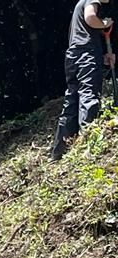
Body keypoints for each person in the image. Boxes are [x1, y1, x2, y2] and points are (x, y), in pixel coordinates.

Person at [51, 0, 116, 160]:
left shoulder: (79, 4)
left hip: (74, 56)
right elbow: (90, 18)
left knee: (72, 100)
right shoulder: (91, 0)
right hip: (86, 54)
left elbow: (82, 40)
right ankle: (88, 145)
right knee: (89, 96)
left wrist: (102, 58)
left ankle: (59, 151)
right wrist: (103, 23)